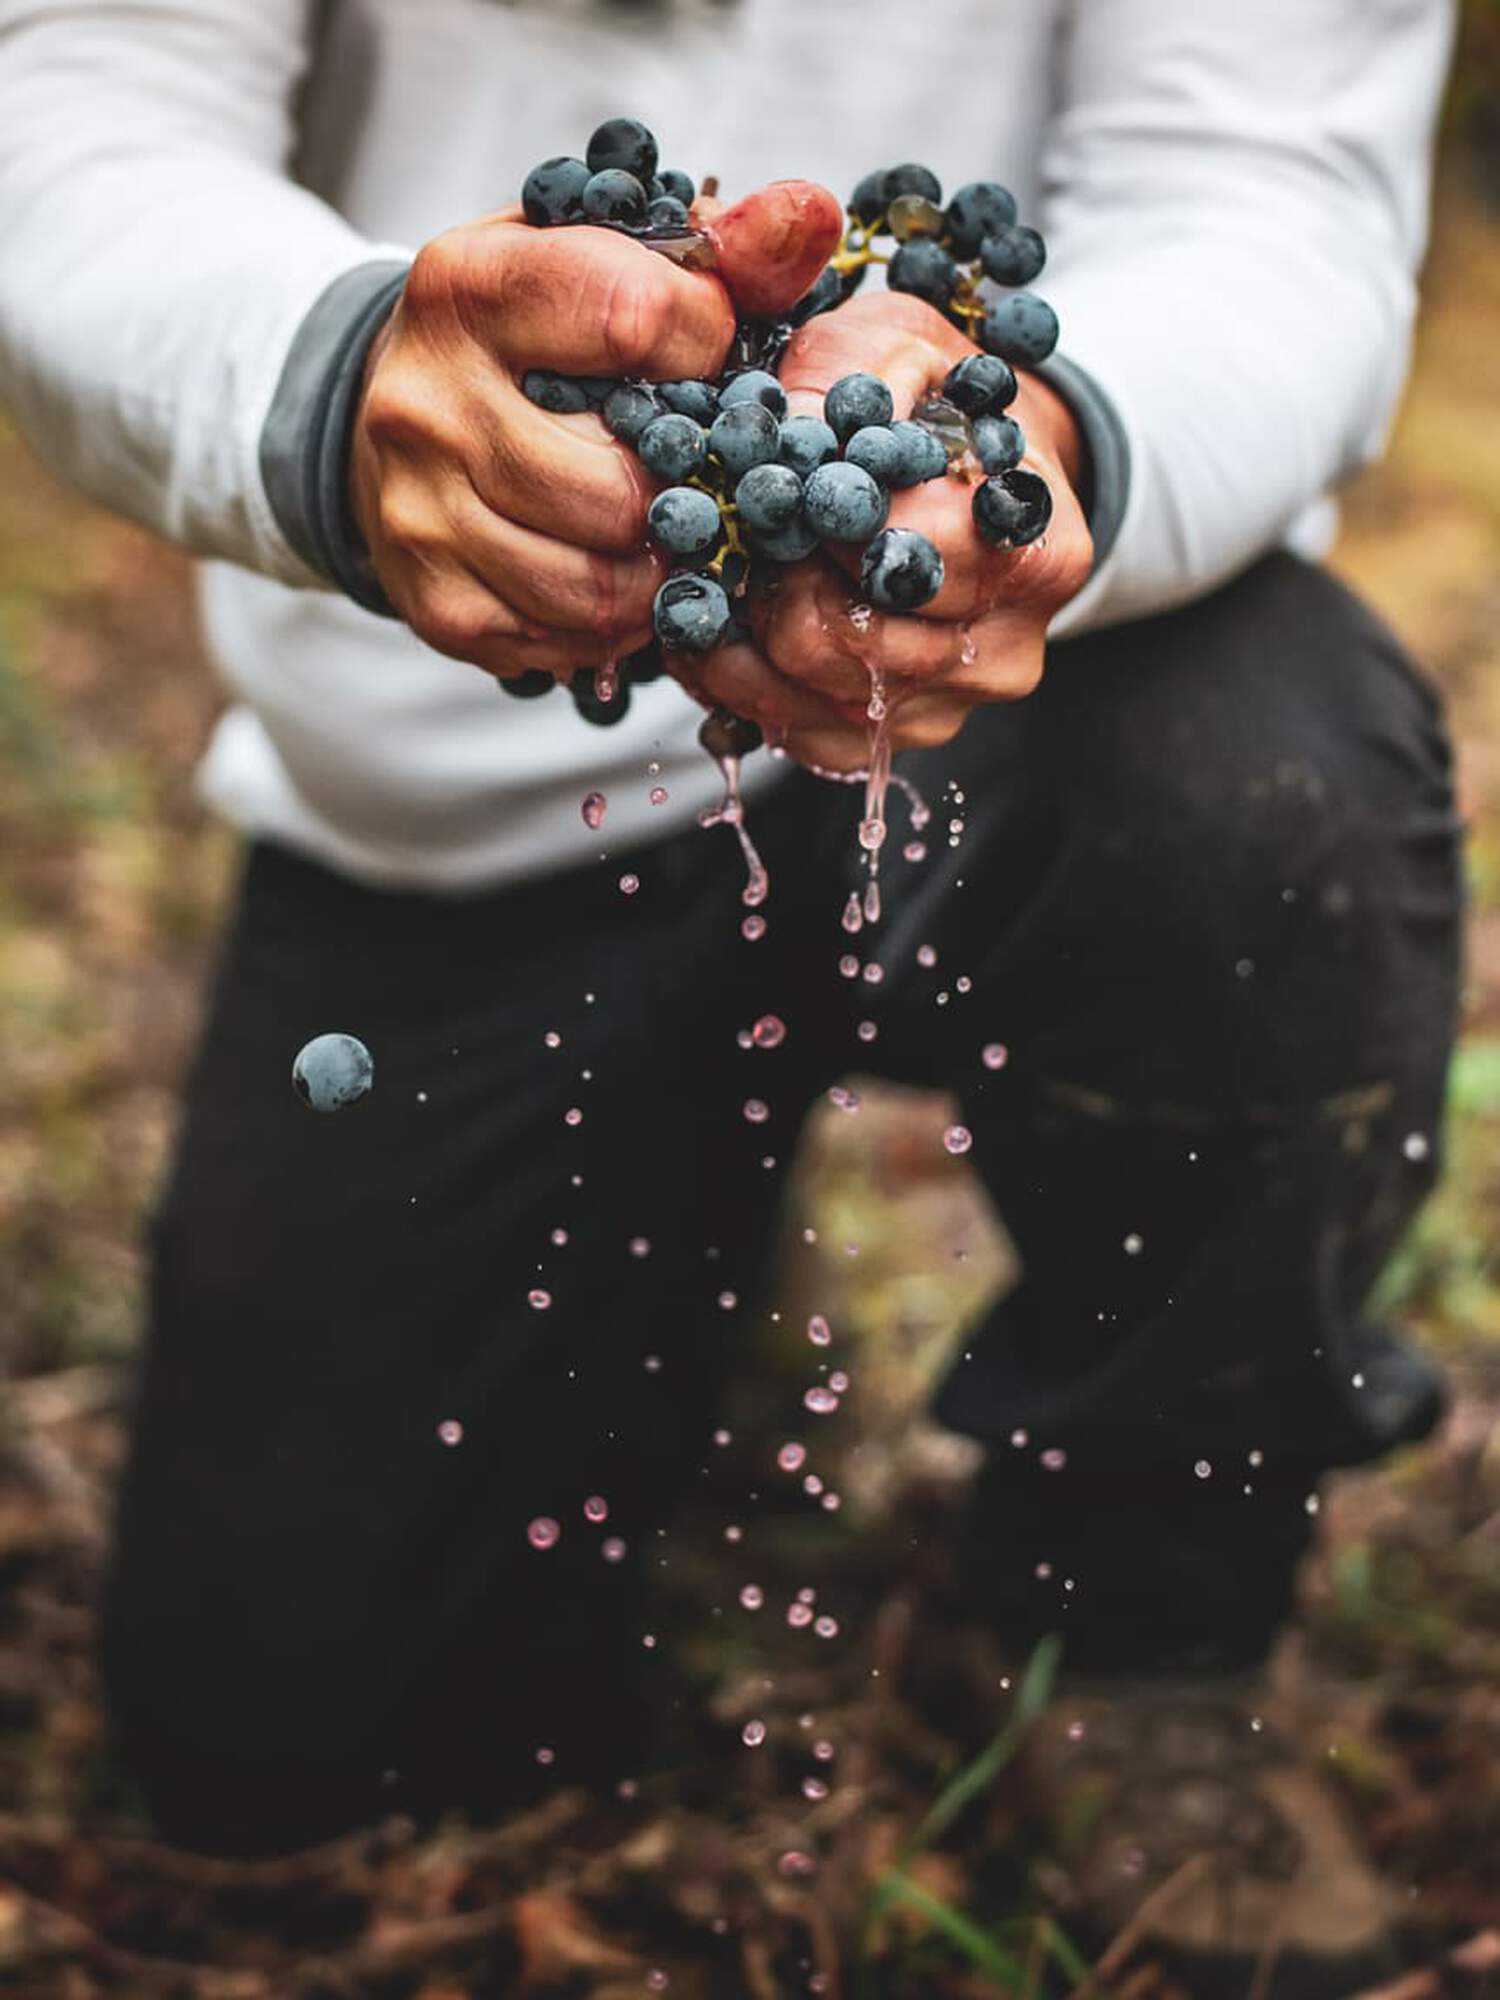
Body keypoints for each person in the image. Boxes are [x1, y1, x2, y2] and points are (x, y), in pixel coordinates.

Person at [0, 0, 1464, 1978]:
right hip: (463, 776)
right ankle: (683, 1255)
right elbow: (74, 103)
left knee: (1263, 798)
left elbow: (1267, 192)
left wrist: (1039, 438)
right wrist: (338, 382)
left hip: (1027, 692)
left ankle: (1139, 1614)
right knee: (284, 1751)